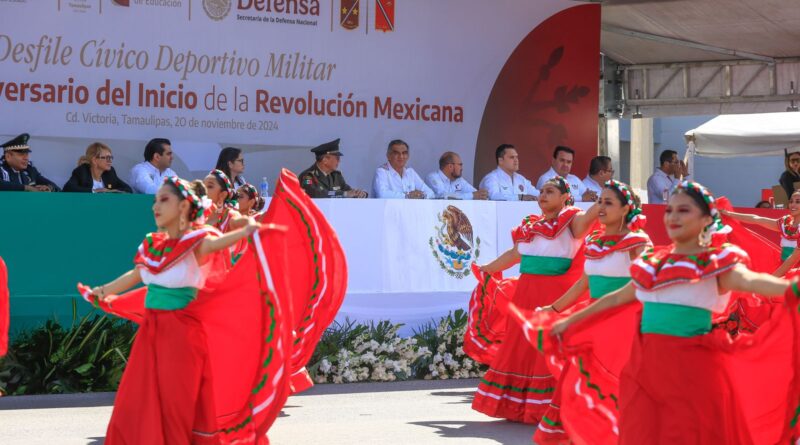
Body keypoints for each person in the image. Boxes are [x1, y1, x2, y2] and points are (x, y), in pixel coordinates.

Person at [547, 181, 796, 445]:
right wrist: (569, 321)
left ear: (705, 218)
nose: (673, 217)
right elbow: (619, 296)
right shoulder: (654, 264)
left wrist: (792, 288)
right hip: (645, 369)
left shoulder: (715, 263)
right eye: (670, 210)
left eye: (684, 210)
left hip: (692, 370)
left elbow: (753, 282)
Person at [78, 176, 293, 444]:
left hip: (182, 336)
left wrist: (248, 230)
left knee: (176, 406)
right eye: (156, 200)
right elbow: (135, 275)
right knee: (136, 401)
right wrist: (103, 290)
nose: (156, 206)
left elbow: (217, 244)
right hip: (151, 336)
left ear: (183, 207)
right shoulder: (152, 245)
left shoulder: (197, 242)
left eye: (164, 200)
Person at [471, 176, 599, 424]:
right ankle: (519, 407)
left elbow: (590, 218)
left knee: (547, 349)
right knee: (522, 349)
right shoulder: (530, 227)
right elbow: (514, 254)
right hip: (526, 295)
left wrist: (605, 197)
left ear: (564, 197)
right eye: (541, 191)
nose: (543, 195)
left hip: (555, 297)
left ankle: (552, 407)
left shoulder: (572, 220)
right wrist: (488, 268)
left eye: (550, 191)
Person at [530, 180, 649, 444]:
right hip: (594, 316)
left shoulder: (637, 242)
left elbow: (643, 281)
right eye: (600, 202)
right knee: (580, 376)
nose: (601, 208)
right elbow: (583, 283)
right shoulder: (595, 242)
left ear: (626, 208)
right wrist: (553, 308)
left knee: (614, 381)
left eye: (608, 203)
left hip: (624, 321)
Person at [722, 190, 800, 274]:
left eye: (798, 202)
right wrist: (728, 214)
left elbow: (793, 259)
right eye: (791, 201)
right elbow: (756, 219)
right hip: (782, 269)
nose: (793, 205)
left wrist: (774, 278)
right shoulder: (785, 223)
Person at [299, 139, 367, 198]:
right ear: (325, 160)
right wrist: (344, 194)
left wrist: (359, 194)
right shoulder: (308, 176)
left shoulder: (336, 176)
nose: (339, 161)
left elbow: (348, 191)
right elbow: (316, 194)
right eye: (337, 158)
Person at [63, 142, 132, 193]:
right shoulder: (82, 171)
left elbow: (128, 189)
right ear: (94, 160)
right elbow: (68, 188)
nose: (110, 161)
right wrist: (95, 191)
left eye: (111, 158)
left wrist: (112, 191)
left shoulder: (110, 173)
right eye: (107, 158)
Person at [204, 169, 242, 234]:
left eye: (209, 186)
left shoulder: (232, 217)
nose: (203, 189)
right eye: (203, 185)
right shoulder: (200, 217)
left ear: (222, 195)